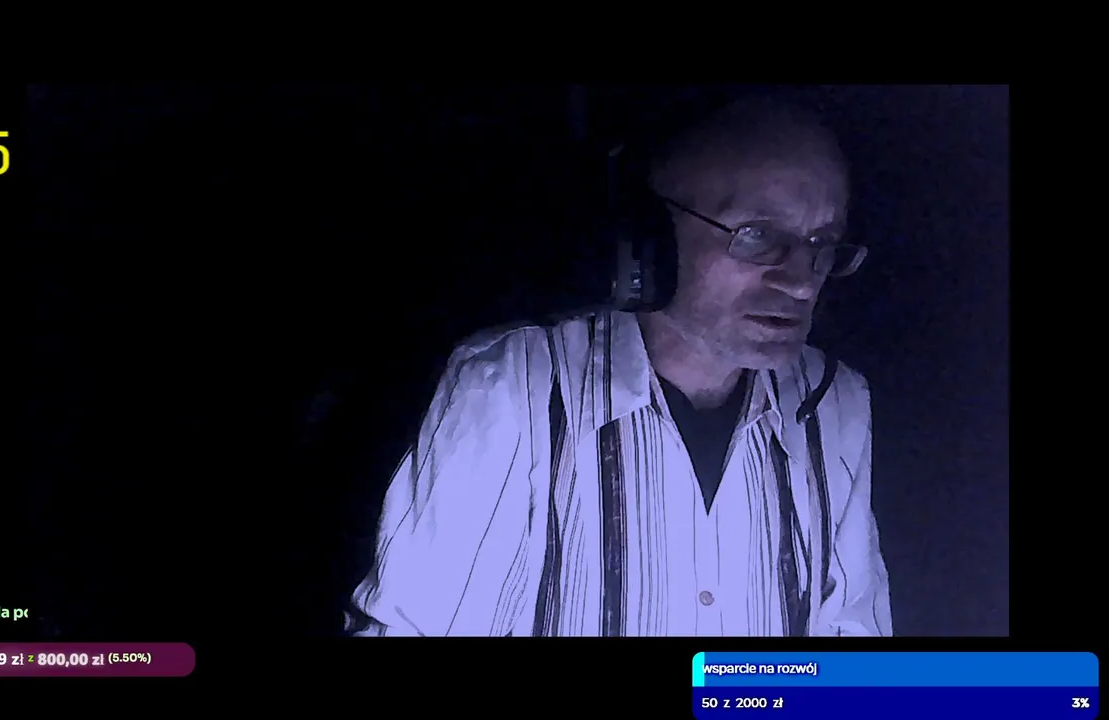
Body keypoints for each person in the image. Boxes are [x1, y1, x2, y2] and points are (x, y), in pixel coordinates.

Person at [347, 92, 893, 636]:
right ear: (645, 235)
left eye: (821, 243)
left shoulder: (836, 404)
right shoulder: (511, 385)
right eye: (757, 236)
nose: (802, 282)